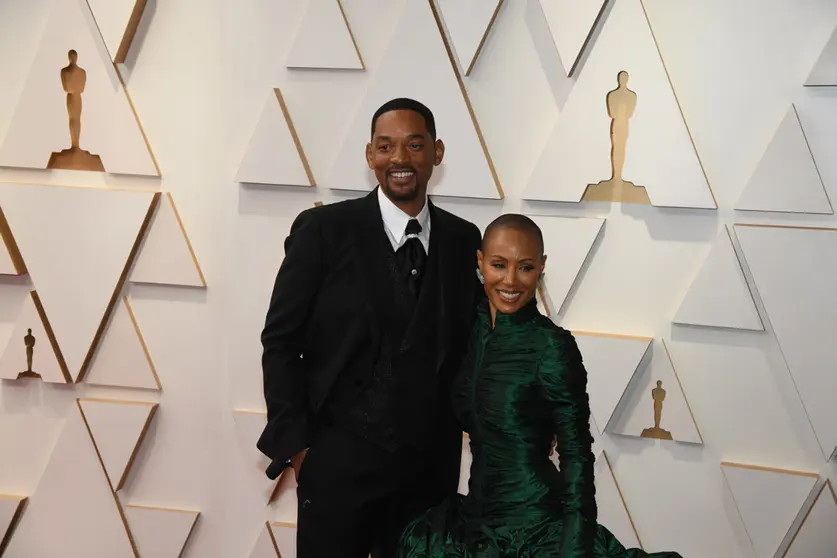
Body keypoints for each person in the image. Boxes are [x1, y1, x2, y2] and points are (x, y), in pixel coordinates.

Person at [257, 97, 484, 558]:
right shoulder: (323, 231)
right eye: (386, 147)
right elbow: (280, 341)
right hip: (337, 470)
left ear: (436, 153)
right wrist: (300, 448)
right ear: (370, 156)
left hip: (428, 478)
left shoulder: (465, 241)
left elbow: (475, 349)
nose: (399, 159)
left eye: (414, 145)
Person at [396, 214, 684, 557]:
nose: (511, 280)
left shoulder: (552, 346)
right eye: (499, 265)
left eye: (526, 267)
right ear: (480, 262)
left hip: (536, 528)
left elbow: (577, 457)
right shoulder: (468, 333)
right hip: (473, 523)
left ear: (542, 267)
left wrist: (574, 548)